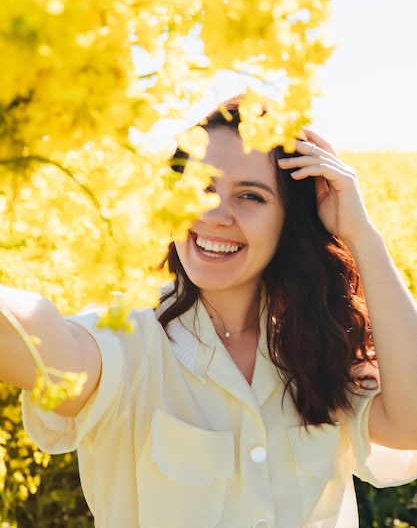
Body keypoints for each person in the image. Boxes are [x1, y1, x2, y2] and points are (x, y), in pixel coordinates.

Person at [1, 97, 417, 528]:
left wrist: (362, 237)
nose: (216, 215)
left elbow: (410, 425)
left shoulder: (319, 342)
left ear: (290, 222)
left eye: (251, 196)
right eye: (201, 188)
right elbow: (42, 338)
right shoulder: (129, 337)